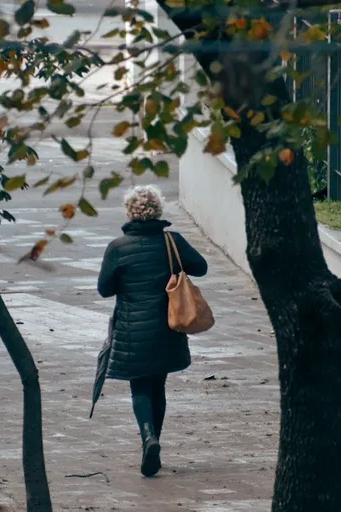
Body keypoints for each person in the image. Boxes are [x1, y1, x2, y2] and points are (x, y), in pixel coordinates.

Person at [97, 184, 208, 477]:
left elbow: (104, 289)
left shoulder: (118, 248)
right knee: (158, 386)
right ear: (158, 210)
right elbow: (201, 267)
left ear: (130, 212)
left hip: (132, 331)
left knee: (140, 387)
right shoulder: (172, 241)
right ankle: (154, 441)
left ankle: (148, 437)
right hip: (167, 328)